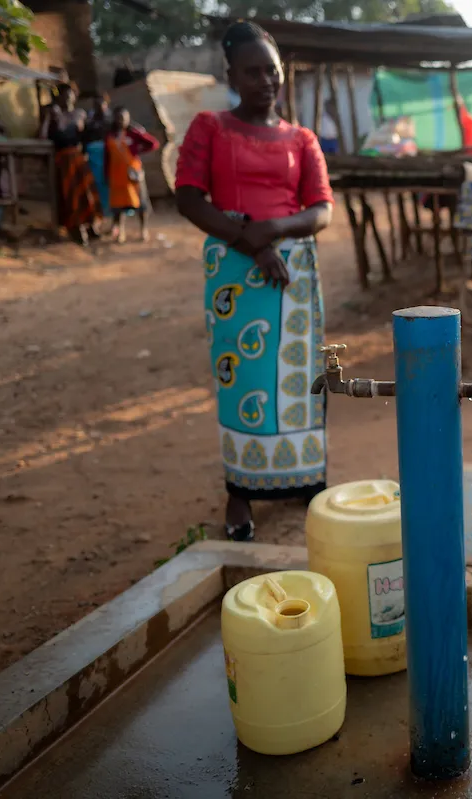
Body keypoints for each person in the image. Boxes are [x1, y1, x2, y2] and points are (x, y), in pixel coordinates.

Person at [176, 21, 335, 542]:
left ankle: (303, 475)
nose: (266, 80)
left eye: (273, 69)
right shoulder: (210, 128)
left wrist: (275, 230)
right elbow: (189, 197)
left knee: (298, 380)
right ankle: (240, 490)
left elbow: (321, 209)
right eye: (253, 71)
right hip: (236, 274)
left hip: (295, 274)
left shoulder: (301, 138)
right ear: (232, 75)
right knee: (242, 379)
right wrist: (253, 242)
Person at [39, 82, 102, 243]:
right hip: (63, 161)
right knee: (70, 195)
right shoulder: (54, 117)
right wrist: (48, 117)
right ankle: (77, 227)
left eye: (70, 96)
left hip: (79, 158)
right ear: (58, 98)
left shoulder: (80, 114)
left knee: (86, 193)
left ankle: (91, 225)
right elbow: (43, 137)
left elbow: (87, 136)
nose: (67, 100)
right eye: (64, 97)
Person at [104, 105, 159, 243]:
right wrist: (106, 175)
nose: (121, 121)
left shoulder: (133, 134)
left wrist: (139, 133)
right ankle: (120, 231)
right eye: (119, 118)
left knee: (141, 203)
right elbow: (107, 157)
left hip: (133, 175)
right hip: (116, 176)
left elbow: (153, 144)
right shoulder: (110, 136)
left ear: (129, 119)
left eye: (124, 118)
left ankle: (143, 230)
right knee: (119, 206)